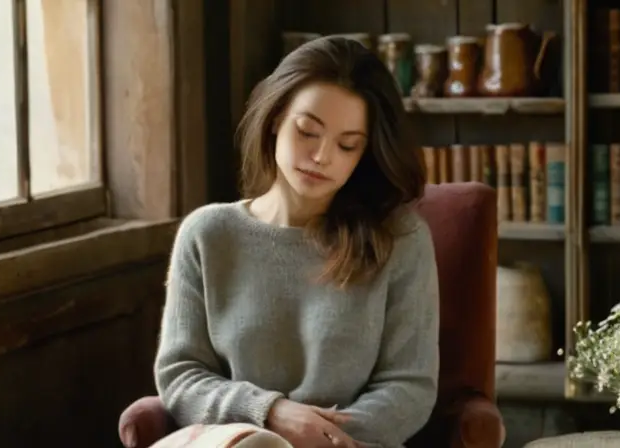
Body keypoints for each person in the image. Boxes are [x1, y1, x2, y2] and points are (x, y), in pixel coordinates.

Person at [154, 36, 439, 448]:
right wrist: (271, 413)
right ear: (275, 120)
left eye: (347, 145)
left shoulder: (400, 240)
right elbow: (181, 376)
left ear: (366, 153)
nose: (323, 156)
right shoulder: (208, 234)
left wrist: (322, 439)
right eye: (308, 131)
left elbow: (409, 387)